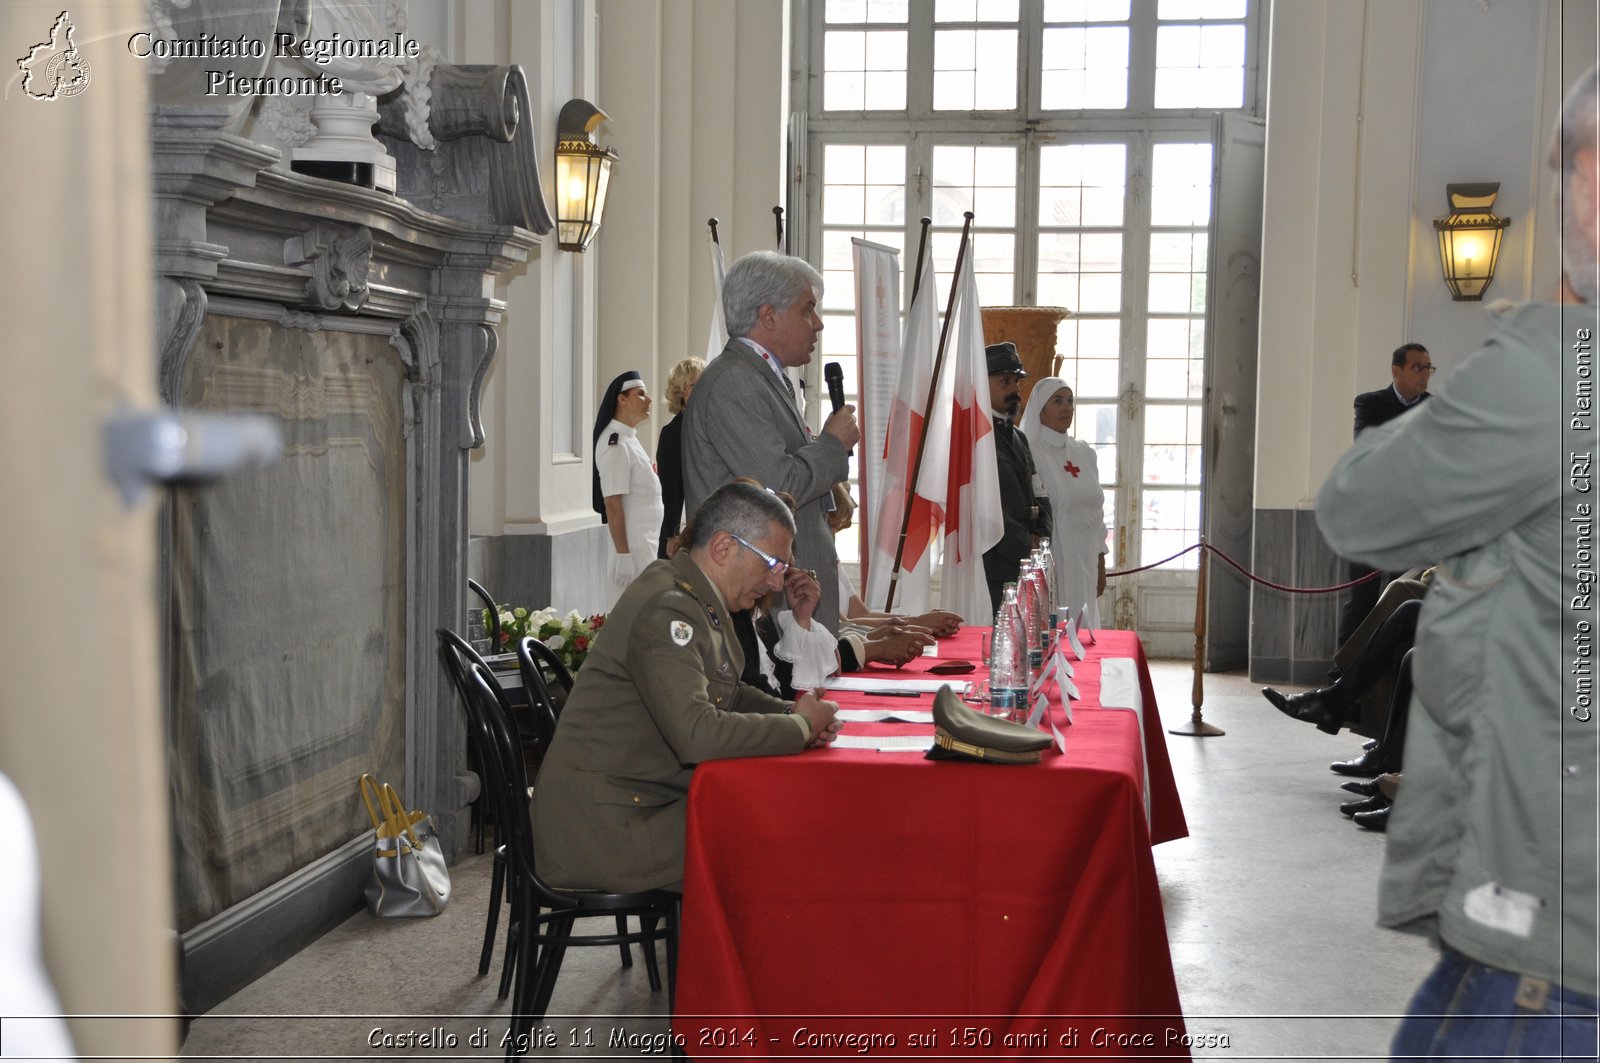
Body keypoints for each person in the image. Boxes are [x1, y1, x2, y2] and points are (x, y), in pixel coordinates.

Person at [1314, 66, 1597, 1060]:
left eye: (1571, 169)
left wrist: (1555, 315)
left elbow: (1356, 507)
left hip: (1556, 941)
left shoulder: (1564, 371)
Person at [531, 481, 844, 894]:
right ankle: (743, 959)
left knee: (772, 817)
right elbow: (697, 735)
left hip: (635, 802)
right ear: (723, 548)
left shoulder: (692, 594)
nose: (775, 583)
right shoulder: (669, 607)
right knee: (776, 832)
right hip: (604, 829)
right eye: (772, 563)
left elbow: (727, 694)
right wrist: (800, 729)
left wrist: (792, 710)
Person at [682, 251, 861, 629]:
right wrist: (832, 444)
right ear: (768, 315)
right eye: (807, 310)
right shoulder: (734, 381)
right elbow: (778, 487)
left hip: (787, 604)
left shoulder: (762, 376)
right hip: (761, 607)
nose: (819, 324)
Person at [1338, 343, 1435, 643]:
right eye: (1417, 367)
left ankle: (1389, 682)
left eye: (1429, 368)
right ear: (1397, 371)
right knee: (1361, 603)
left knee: (1401, 601)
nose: (1425, 375)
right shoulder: (1370, 403)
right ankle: (1342, 680)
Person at [1019, 376, 1109, 629]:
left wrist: (1101, 560)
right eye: (1057, 401)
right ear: (1041, 410)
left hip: (1086, 553)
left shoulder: (1084, 452)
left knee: (1086, 622)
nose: (1066, 407)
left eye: (1070, 401)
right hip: (1055, 553)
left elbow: (1096, 512)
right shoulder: (1032, 451)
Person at [981, 341, 1053, 614]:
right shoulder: (976, 440)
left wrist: (1042, 539)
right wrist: (1025, 543)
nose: (1014, 389)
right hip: (995, 564)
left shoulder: (1019, 437)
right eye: (1005, 381)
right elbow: (982, 507)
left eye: (1016, 382)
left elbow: (1040, 493)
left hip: (1026, 564)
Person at [592, 371, 664, 604]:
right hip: (632, 544)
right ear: (621, 399)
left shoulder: (629, 438)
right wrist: (624, 555)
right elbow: (613, 504)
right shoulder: (616, 443)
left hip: (646, 542)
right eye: (641, 394)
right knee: (631, 612)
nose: (649, 400)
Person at [656, 357, 705, 558]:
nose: (701, 390)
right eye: (694, 385)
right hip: (682, 533)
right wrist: (673, 534)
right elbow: (670, 489)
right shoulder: (672, 433)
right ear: (680, 393)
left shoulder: (714, 424)